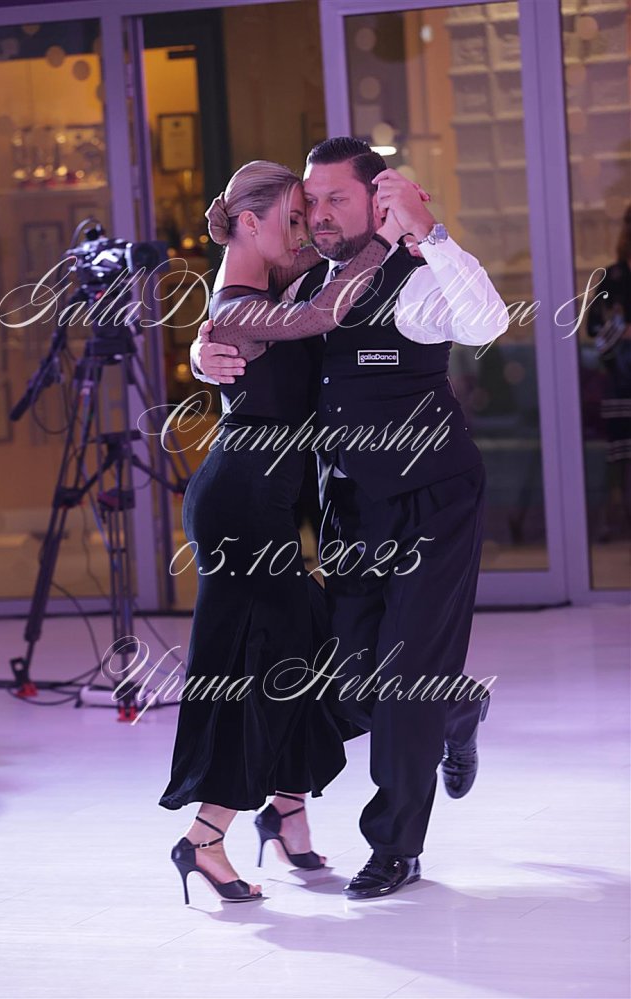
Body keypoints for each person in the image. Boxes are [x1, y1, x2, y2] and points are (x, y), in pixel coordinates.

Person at [192, 138, 509, 901]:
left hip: (433, 498)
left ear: (378, 198)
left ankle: (394, 847)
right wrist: (206, 352)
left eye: (338, 198)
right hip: (351, 507)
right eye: (312, 201)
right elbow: (244, 320)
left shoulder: (417, 276)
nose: (321, 213)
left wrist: (431, 233)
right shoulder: (309, 281)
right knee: (344, 680)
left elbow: (487, 321)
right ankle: (456, 704)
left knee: (406, 682)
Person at [158, 158, 406, 905]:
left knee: (308, 651)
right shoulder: (236, 307)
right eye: (293, 219)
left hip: (266, 501)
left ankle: (286, 811)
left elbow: (323, 273)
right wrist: (384, 241)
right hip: (238, 505)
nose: (304, 232)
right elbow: (323, 311)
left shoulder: (266, 288)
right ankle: (204, 836)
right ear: (250, 222)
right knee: (258, 667)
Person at [586, 205, 631, 540]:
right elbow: (592, 327)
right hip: (620, 378)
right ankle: (621, 520)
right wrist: (620, 332)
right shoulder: (611, 277)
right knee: (622, 456)